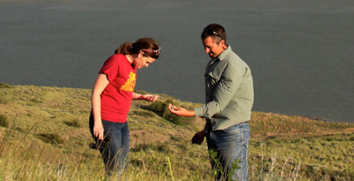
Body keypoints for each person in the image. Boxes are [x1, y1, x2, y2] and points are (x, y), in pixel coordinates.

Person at [168, 24, 254, 181]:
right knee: (220, 177)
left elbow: (218, 105)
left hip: (232, 132)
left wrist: (189, 112)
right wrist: (205, 130)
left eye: (209, 47)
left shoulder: (232, 66)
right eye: (204, 47)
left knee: (235, 178)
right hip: (216, 130)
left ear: (221, 42)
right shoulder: (215, 62)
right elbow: (215, 103)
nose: (206, 51)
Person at [90, 37, 161, 176]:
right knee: (114, 167)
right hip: (106, 121)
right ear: (141, 54)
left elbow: (123, 91)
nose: (146, 65)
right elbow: (96, 92)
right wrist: (98, 122)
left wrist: (142, 97)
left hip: (122, 122)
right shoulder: (116, 61)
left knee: (122, 166)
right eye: (147, 62)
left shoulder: (133, 66)